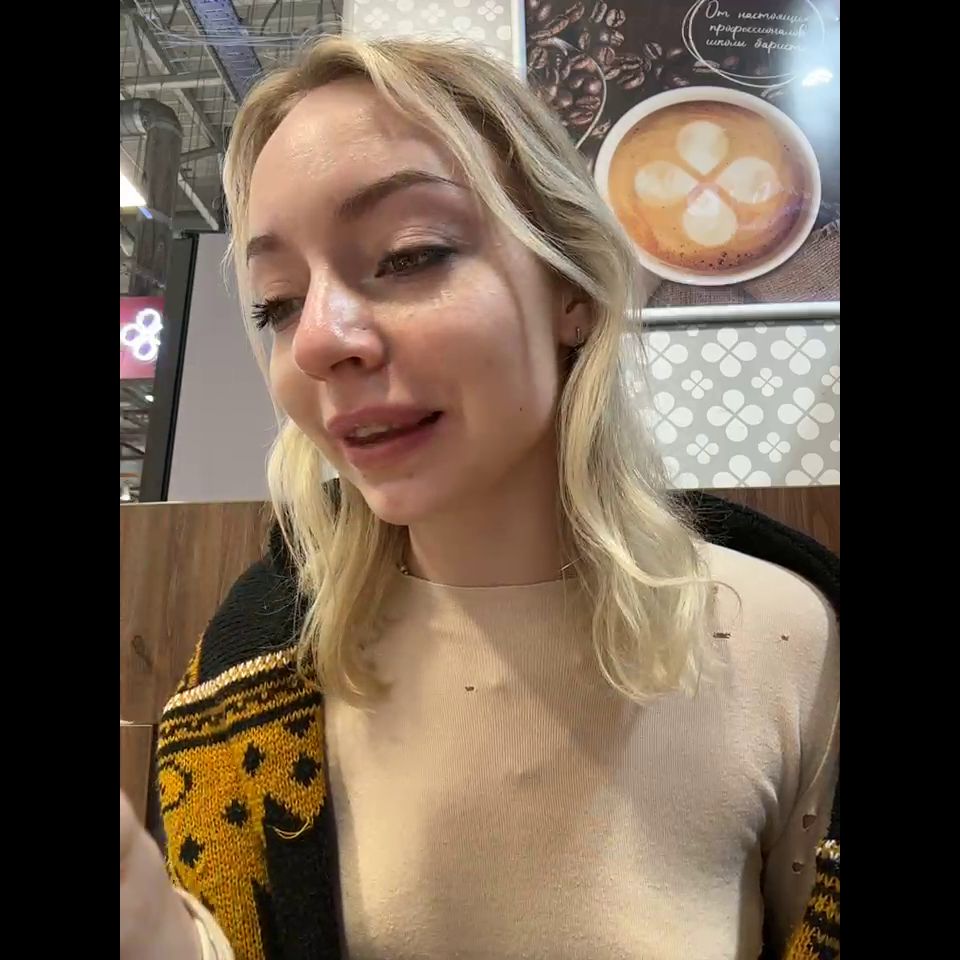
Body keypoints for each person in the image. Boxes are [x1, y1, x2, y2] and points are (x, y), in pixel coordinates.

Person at [119, 36, 839, 960]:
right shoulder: (254, 665)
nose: (318, 342)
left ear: (571, 290)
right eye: (278, 302)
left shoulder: (789, 643)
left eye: (409, 255)